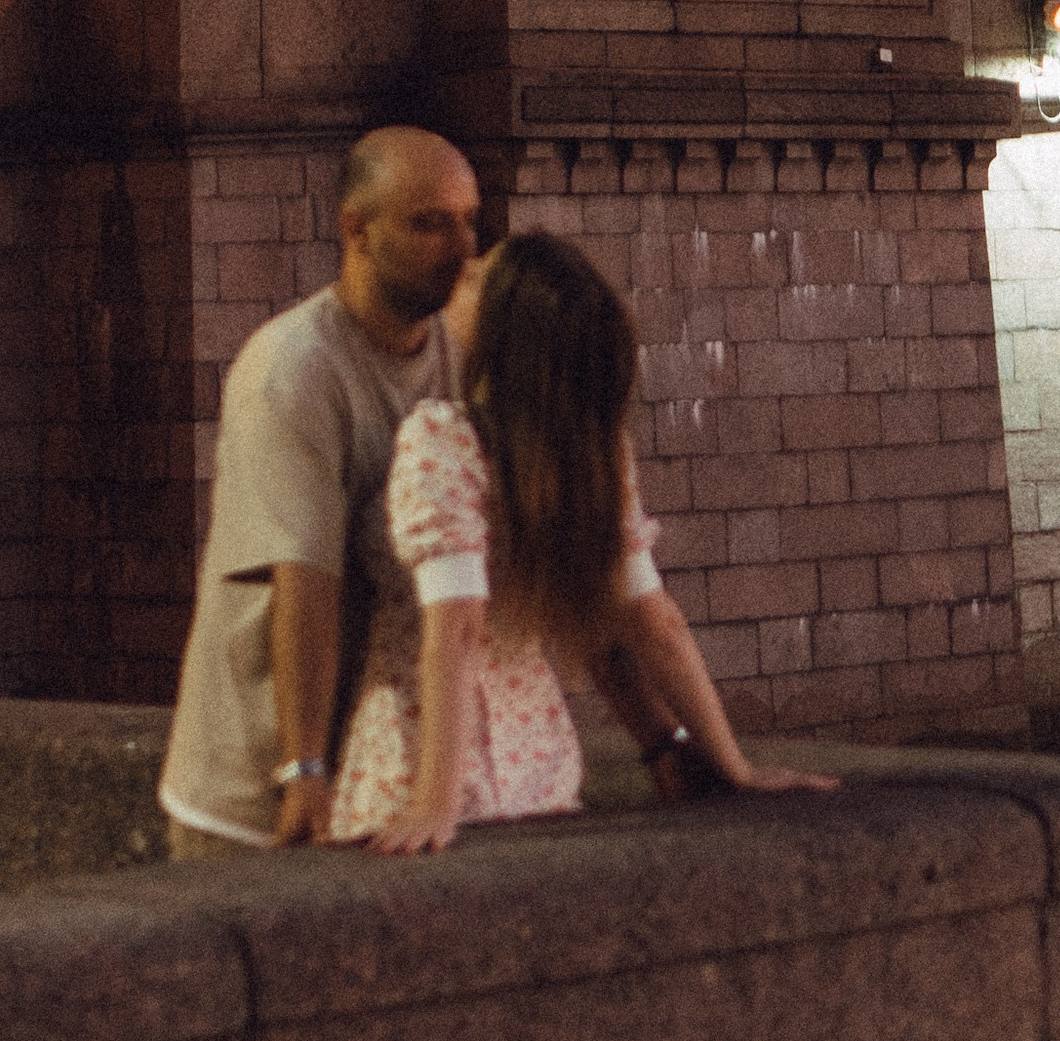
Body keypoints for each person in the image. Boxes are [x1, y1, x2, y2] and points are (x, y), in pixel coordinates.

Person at [331, 228, 836, 855]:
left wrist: (434, 801)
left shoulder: (443, 439)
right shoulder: (595, 460)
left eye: (479, 277)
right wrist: (734, 766)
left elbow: (456, 626)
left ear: (502, 329)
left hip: (417, 759)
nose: (460, 274)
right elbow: (657, 625)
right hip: (542, 765)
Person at [160, 125, 482, 852]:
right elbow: (304, 577)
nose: (462, 250)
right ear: (356, 231)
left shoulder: (461, 358)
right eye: (430, 223)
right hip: (256, 793)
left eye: (469, 221)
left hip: (375, 779)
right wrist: (303, 768)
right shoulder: (294, 368)